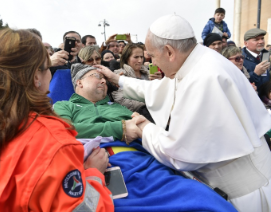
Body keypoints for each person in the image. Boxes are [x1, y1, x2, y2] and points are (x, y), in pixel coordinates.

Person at [96, 14, 271, 212]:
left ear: (169, 52)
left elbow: (180, 151)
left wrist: (144, 128)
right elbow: (158, 89)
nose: (152, 62)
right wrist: (118, 80)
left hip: (246, 194)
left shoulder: (203, 78)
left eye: (152, 56)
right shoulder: (197, 61)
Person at [0, 28, 114, 212]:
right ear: (36, 76)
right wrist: (93, 173)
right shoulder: (53, 141)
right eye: (48, 67)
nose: (51, 74)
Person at [53, 63, 237, 212]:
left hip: (142, 161)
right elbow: (64, 130)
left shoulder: (118, 108)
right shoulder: (63, 106)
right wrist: (120, 127)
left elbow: (143, 128)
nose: (103, 81)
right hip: (99, 164)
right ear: (79, 83)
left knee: (203, 198)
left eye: (104, 79)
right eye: (96, 76)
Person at [112, 43, 161, 113]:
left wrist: (159, 82)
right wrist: (150, 104)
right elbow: (121, 99)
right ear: (126, 58)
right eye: (136, 57)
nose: (140, 60)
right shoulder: (119, 75)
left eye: (141, 57)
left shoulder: (149, 74)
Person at [242, 28, 270, 93]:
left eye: (262, 38)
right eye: (256, 40)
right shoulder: (239, 58)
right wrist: (255, 74)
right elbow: (239, 81)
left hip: (266, 98)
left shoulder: (266, 55)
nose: (261, 42)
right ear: (246, 43)